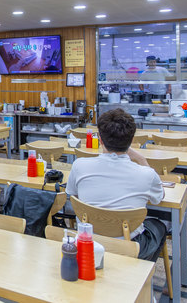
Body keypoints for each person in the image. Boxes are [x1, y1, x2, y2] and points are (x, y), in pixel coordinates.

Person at [66, 108, 166, 262]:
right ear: (132, 141)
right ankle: (141, 270)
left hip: (88, 241)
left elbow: (72, 195)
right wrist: (141, 159)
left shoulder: (79, 165)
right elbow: (158, 198)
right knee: (159, 226)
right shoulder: (147, 174)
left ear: (100, 139)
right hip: (129, 245)